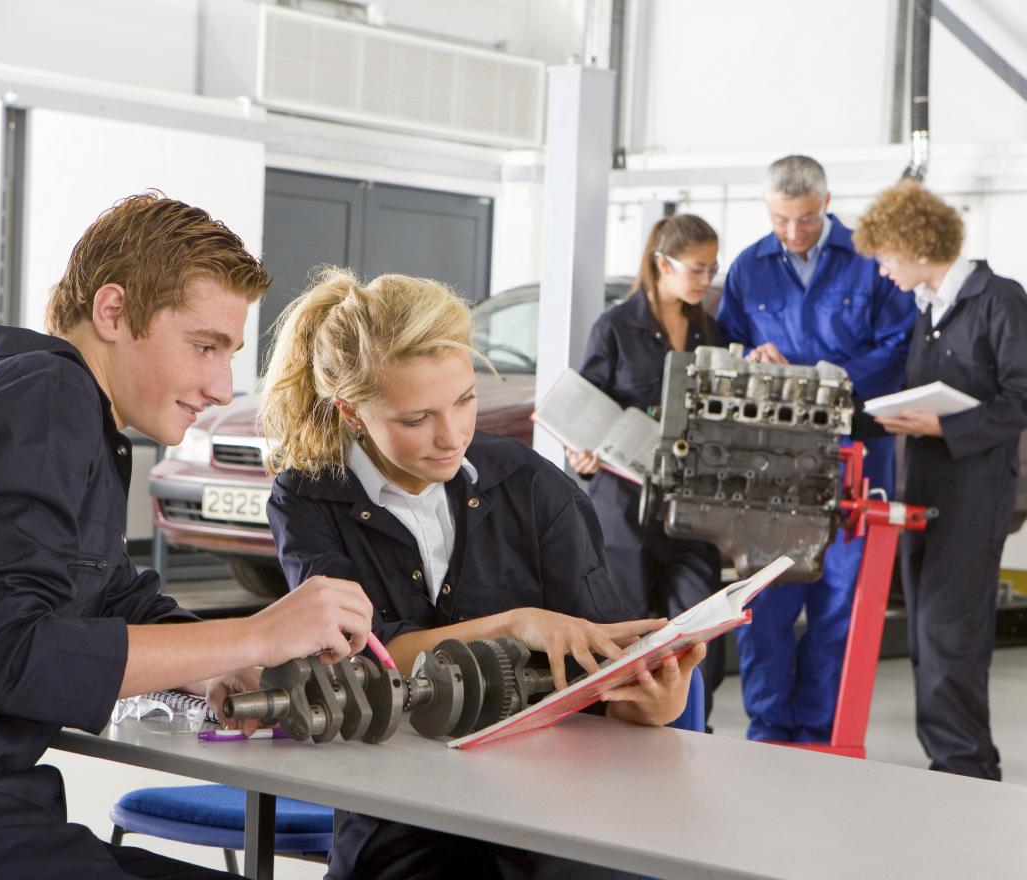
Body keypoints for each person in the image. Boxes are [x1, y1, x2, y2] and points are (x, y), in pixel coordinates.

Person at [0, 193, 378, 879]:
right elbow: (8, 652)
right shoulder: (47, 396)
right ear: (113, 312)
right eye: (203, 346)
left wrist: (220, 667)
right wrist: (259, 634)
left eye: (231, 355)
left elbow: (110, 597)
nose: (223, 387)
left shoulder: (58, 409)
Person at [259, 267, 707, 880]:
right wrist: (518, 624)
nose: (452, 437)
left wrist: (653, 704)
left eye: (465, 400)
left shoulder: (533, 485)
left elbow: (600, 674)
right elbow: (364, 660)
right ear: (351, 411)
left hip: (556, 802)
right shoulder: (309, 500)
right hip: (402, 815)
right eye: (417, 419)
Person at [854, 180, 1027, 780]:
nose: (884, 271)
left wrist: (945, 427)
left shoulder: (1000, 301)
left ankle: (967, 768)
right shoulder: (931, 311)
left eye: (887, 257)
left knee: (951, 634)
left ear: (916, 246)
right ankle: (950, 761)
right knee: (928, 632)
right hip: (924, 491)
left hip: (973, 493)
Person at [717, 155, 918, 743]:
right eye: (781, 219)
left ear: (827, 203)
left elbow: (898, 347)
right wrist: (751, 362)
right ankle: (769, 731)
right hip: (771, 468)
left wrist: (819, 377)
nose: (793, 232)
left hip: (854, 461)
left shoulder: (869, 258)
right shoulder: (749, 267)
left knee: (838, 605)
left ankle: (818, 735)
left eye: (805, 219)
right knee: (767, 607)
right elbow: (728, 347)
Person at [566, 214, 727, 725]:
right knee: (629, 632)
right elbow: (585, 409)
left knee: (701, 631)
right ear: (663, 264)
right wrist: (581, 453)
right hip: (624, 508)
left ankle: (695, 730)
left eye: (712, 270)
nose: (707, 281)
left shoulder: (707, 330)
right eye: (697, 270)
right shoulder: (614, 327)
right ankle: (624, 745)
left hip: (689, 508)